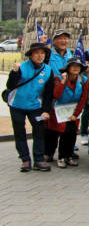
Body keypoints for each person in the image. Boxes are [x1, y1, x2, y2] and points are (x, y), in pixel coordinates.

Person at [6, 42, 54, 172]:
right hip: (17, 105)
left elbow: (49, 93)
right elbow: (10, 85)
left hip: (36, 106)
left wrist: (46, 110)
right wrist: (14, 72)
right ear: (31, 55)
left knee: (39, 132)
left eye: (42, 53)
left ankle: (39, 159)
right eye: (37, 53)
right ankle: (25, 159)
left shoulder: (48, 70)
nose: (40, 56)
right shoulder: (21, 67)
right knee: (19, 132)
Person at [45, 57, 88, 168]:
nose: (75, 68)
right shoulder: (60, 79)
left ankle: (69, 155)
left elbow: (83, 98)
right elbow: (56, 95)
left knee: (72, 133)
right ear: (68, 68)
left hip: (74, 110)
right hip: (59, 110)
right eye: (73, 66)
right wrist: (63, 82)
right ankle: (61, 157)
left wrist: (76, 113)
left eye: (78, 66)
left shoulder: (83, 80)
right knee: (61, 133)